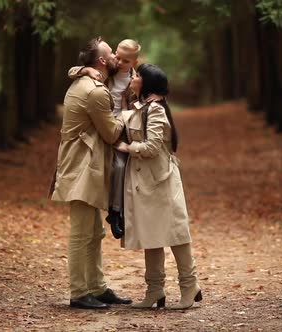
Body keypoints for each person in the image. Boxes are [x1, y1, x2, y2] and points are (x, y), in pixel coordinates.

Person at [49, 37, 132, 310]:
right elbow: (110, 133)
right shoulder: (95, 91)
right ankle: (78, 292)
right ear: (100, 62)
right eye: (111, 54)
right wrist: (128, 115)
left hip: (85, 166)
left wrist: (80, 69)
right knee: (81, 233)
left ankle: (97, 287)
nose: (115, 59)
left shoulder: (85, 81)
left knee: (95, 232)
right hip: (82, 168)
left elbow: (75, 70)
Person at [116, 64, 202, 310]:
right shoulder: (141, 105)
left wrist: (128, 148)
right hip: (145, 181)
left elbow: (152, 146)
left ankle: (190, 286)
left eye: (137, 75)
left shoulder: (155, 110)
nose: (132, 77)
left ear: (147, 84)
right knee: (150, 234)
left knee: (176, 233)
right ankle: (155, 290)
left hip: (160, 180)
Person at [67, 39, 141, 239]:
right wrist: (85, 71)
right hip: (107, 122)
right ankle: (114, 209)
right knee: (115, 165)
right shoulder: (107, 73)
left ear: (133, 62)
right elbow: (72, 70)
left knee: (125, 166)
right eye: (116, 55)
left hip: (125, 126)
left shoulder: (136, 78)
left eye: (125, 60)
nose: (118, 61)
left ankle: (122, 210)